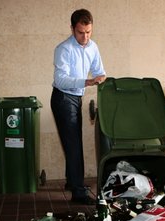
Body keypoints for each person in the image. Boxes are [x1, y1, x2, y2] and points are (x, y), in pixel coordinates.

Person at [51, 9, 106, 205]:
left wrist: (100, 78)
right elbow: (60, 79)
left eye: (89, 32)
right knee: (74, 144)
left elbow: (100, 71)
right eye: (81, 32)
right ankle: (78, 192)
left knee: (73, 142)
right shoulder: (64, 49)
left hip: (77, 98)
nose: (85, 37)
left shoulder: (93, 47)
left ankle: (71, 181)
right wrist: (88, 82)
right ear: (72, 29)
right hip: (63, 98)